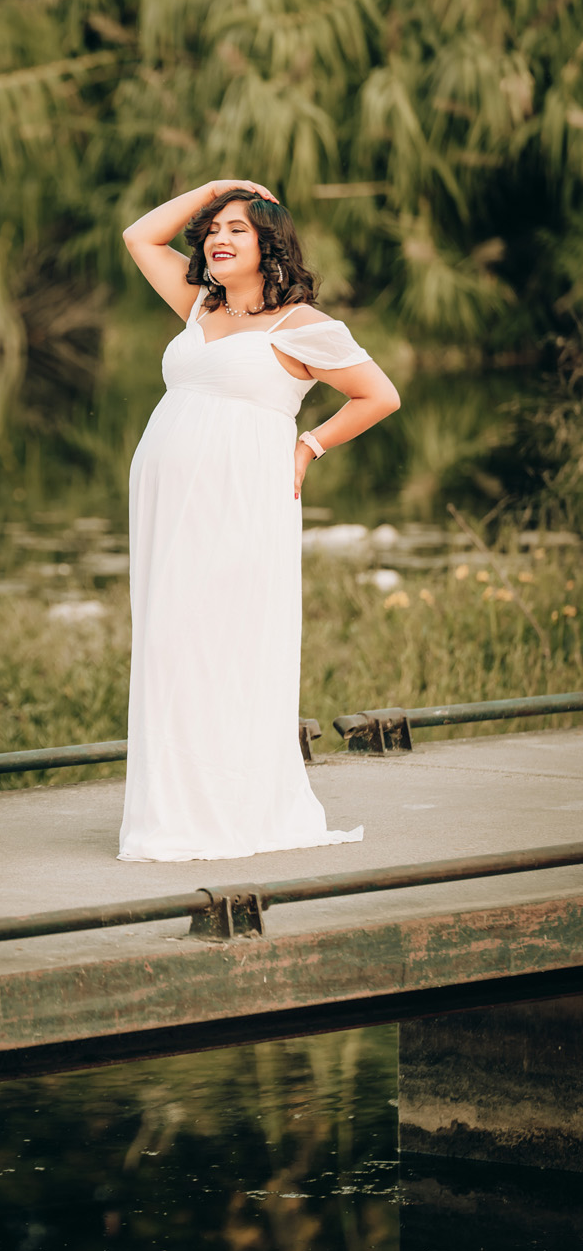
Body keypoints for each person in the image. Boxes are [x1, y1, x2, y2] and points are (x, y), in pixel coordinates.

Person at [118, 178, 400, 863]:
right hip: (167, 504)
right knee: (168, 645)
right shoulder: (199, 308)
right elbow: (138, 236)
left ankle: (229, 812)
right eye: (213, 228)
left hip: (240, 500)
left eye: (237, 228)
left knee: (224, 642)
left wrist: (309, 444)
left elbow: (379, 395)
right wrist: (217, 188)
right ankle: (174, 810)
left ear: (269, 243)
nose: (218, 237)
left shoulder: (301, 325)